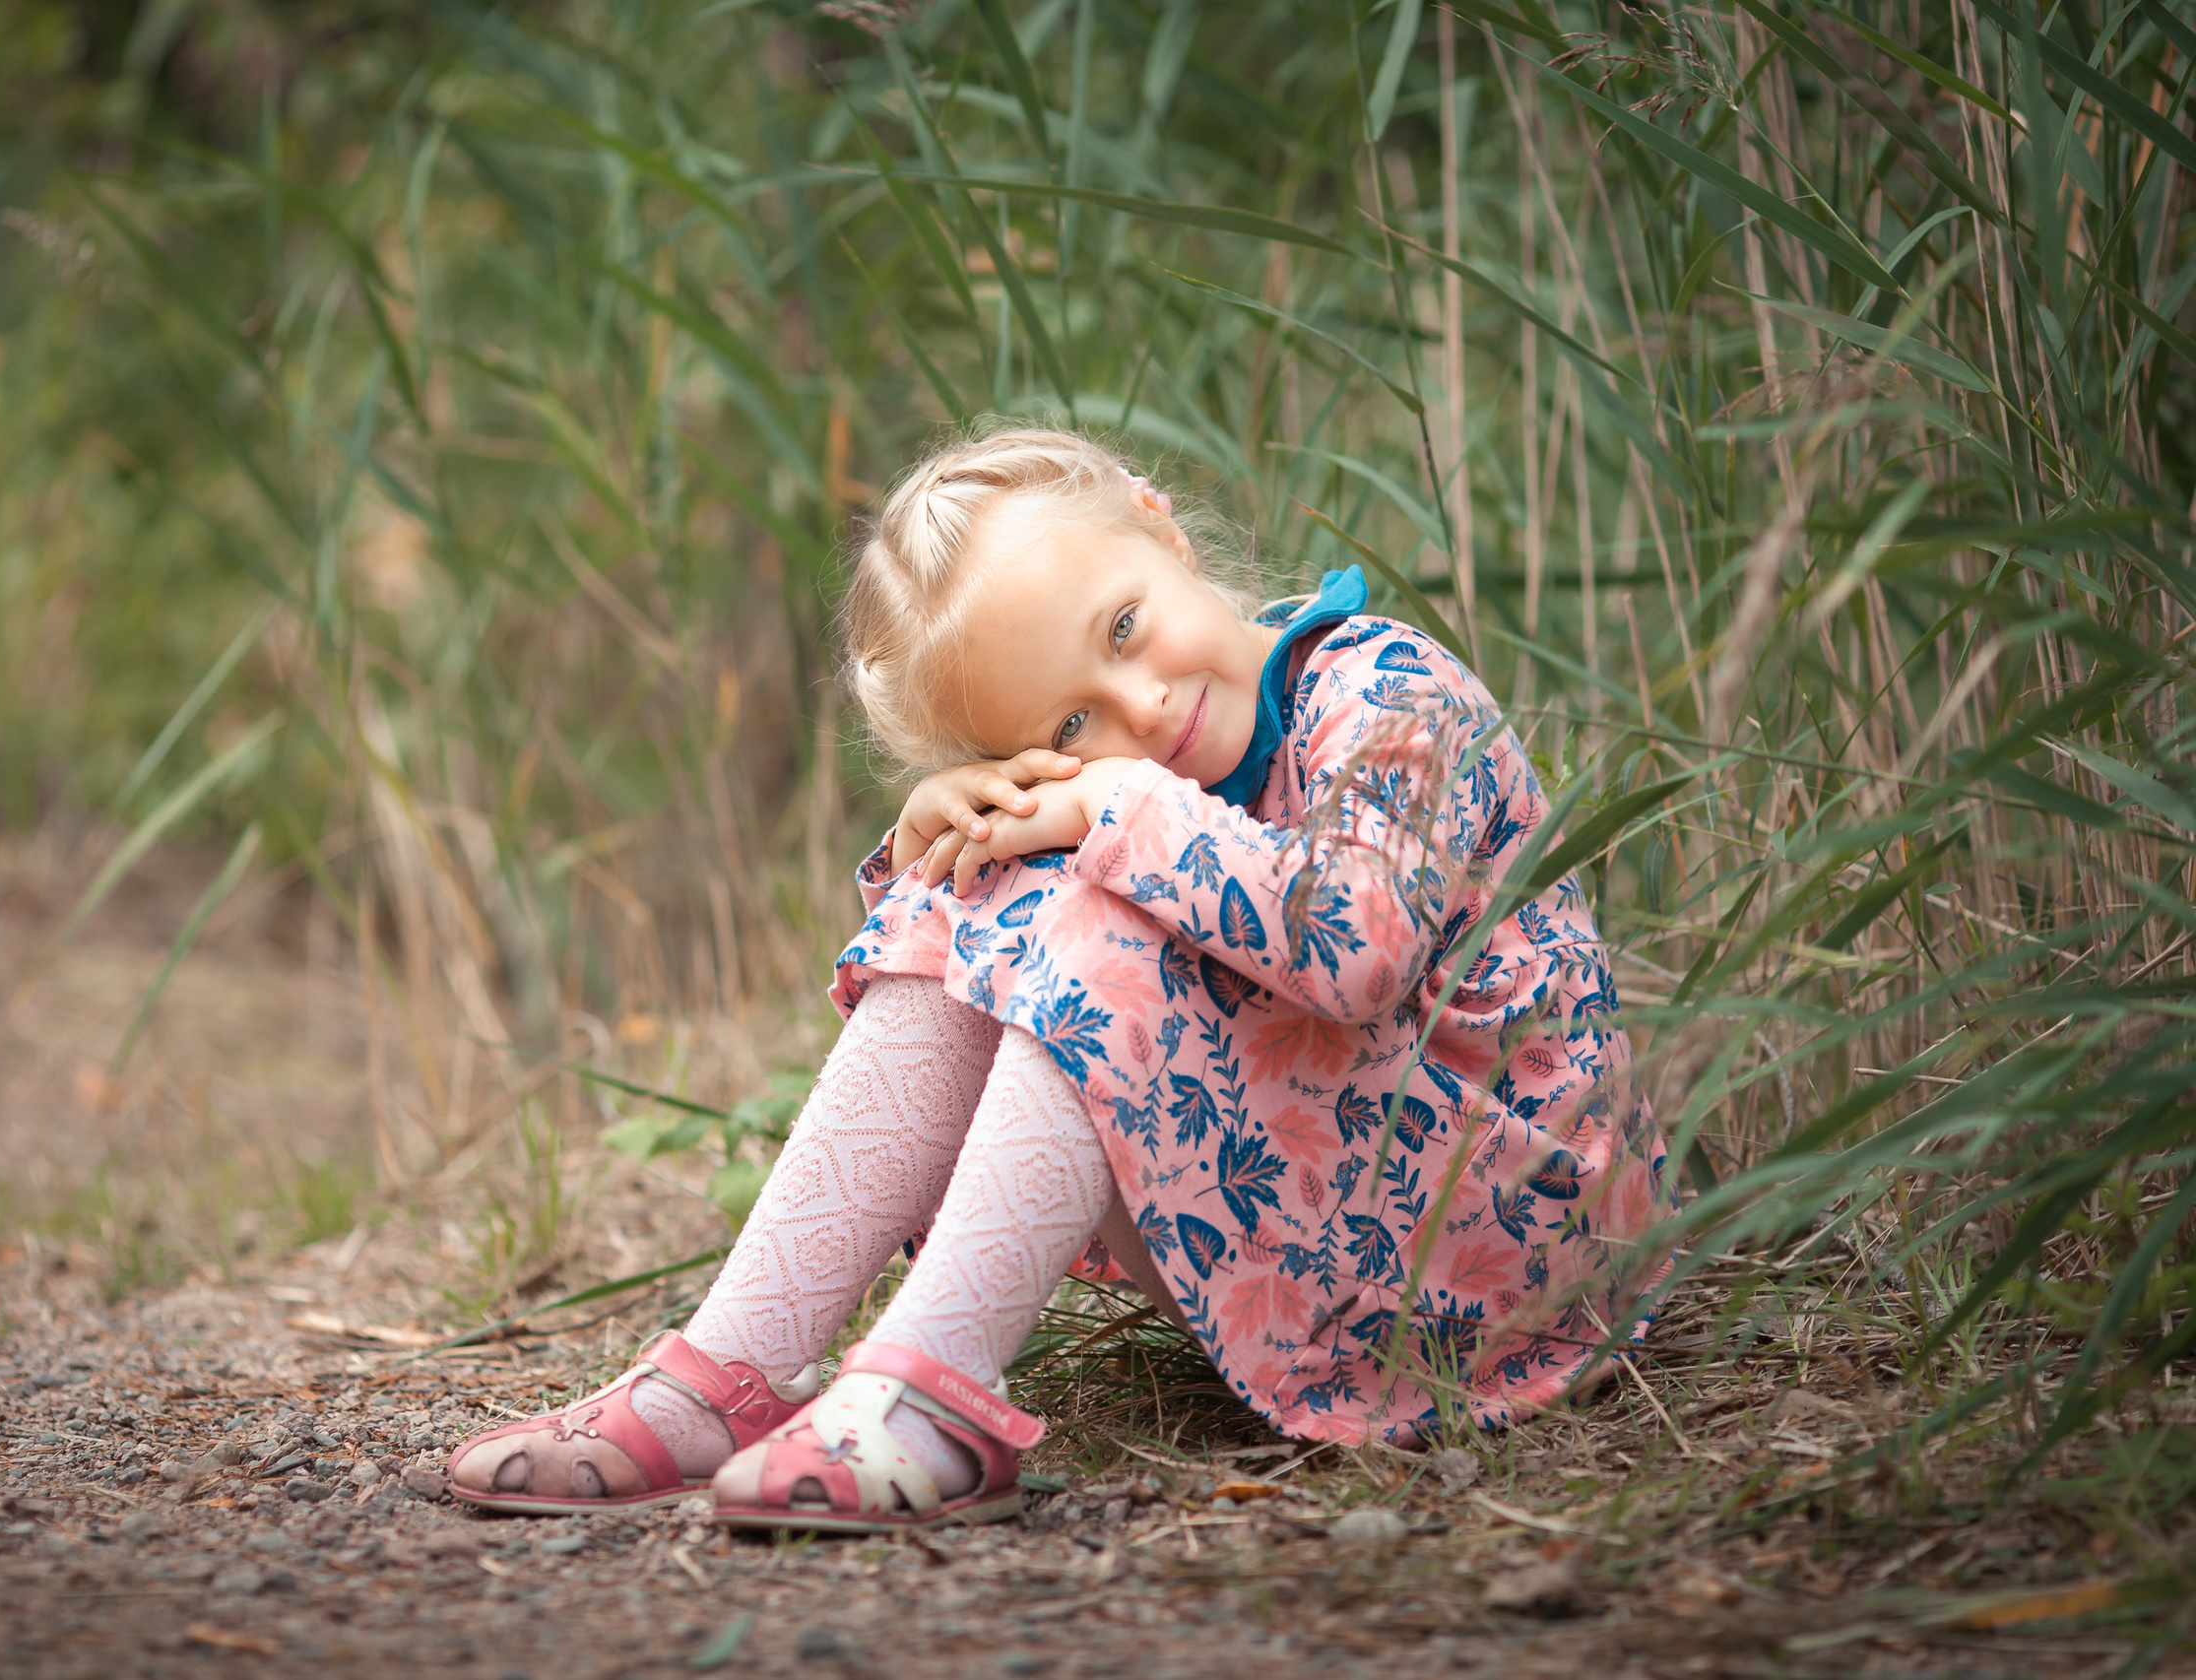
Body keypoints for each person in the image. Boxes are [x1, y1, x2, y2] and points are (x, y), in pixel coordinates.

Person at [446, 425, 1673, 1533]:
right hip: (1353, 1218)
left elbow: (1358, 948)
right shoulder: (1150, 781)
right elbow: (1008, 926)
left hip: (1513, 1243)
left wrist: (1106, 799)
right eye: (1067, 728)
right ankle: (732, 1371)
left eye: (1125, 628)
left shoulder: (1388, 691)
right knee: (977, 888)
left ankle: (931, 1388)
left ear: (1158, 524)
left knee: (1097, 889)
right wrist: (960, 826)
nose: (1139, 705)